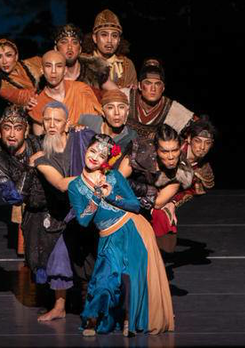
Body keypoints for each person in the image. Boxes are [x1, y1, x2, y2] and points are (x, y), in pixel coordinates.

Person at [68, 134, 175, 336]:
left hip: (132, 229)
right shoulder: (75, 186)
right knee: (104, 280)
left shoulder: (115, 177)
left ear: (106, 160)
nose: (94, 157)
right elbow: (83, 220)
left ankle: (129, 320)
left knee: (132, 278)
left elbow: (135, 205)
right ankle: (92, 319)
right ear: (86, 150)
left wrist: (111, 195)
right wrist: (97, 196)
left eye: (101, 155)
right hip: (109, 237)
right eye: (92, 151)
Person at [31, 101, 99, 322]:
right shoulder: (43, 159)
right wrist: (94, 178)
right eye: (47, 120)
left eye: (57, 120)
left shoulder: (81, 139)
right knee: (59, 256)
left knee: (98, 258)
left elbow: (104, 152)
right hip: (67, 214)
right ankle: (59, 306)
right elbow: (61, 184)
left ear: (67, 123)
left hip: (97, 207)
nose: (52, 124)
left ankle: (104, 307)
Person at [0, 105, 41, 256]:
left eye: (18, 128)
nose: (12, 134)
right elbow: (15, 198)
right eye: (7, 128)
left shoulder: (41, 144)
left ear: (26, 131)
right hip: (32, 214)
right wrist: (30, 167)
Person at [126, 124, 194, 253]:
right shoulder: (139, 153)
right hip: (120, 198)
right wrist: (144, 189)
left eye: (175, 150)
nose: (171, 156)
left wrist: (145, 191)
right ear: (156, 150)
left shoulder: (181, 171)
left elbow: (157, 202)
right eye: (164, 151)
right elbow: (118, 178)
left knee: (165, 246)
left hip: (144, 206)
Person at [28, 50, 102, 135]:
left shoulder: (81, 90)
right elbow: (40, 138)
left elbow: (97, 122)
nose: (53, 71)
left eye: (59, 66)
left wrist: (81, 129)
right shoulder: (38, 103)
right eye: (48, 66)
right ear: (42, 70)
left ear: (65, 70)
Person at [124, 58, 195, 140]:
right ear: (139, 86)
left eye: (157, 84)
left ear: (163, 88)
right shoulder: (126, 96)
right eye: (148, 83)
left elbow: (198, 128)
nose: (153, 89)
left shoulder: (172, 108)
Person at [53, 23, 118, 100]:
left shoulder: (95, 70)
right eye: (64, 42)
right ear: (56, 48)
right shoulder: (50, 74)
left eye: (74, 42)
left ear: (80, 49)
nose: (69, 47)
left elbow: (118, 94)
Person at [82, 9, 137, 88]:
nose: (109, 40)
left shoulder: (126, 65)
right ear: (95, 38)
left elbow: (131, 94)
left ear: (119, 40)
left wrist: (130, 91)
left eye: (114, 36)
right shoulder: (83, 62)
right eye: (104, 35)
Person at [171, 116, 217, 210]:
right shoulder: (172, 152)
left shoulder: (204, 170)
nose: (202, 147)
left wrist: (174, 201)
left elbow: (193, 192)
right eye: (197, 141)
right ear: (189, 139)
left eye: (207, 143)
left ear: (211, 144)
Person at [0, 37, 42, 109]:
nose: (4, 61)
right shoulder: (4, 89)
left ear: (16, 56)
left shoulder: (37, 61)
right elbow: (33, 98)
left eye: (8, 55)